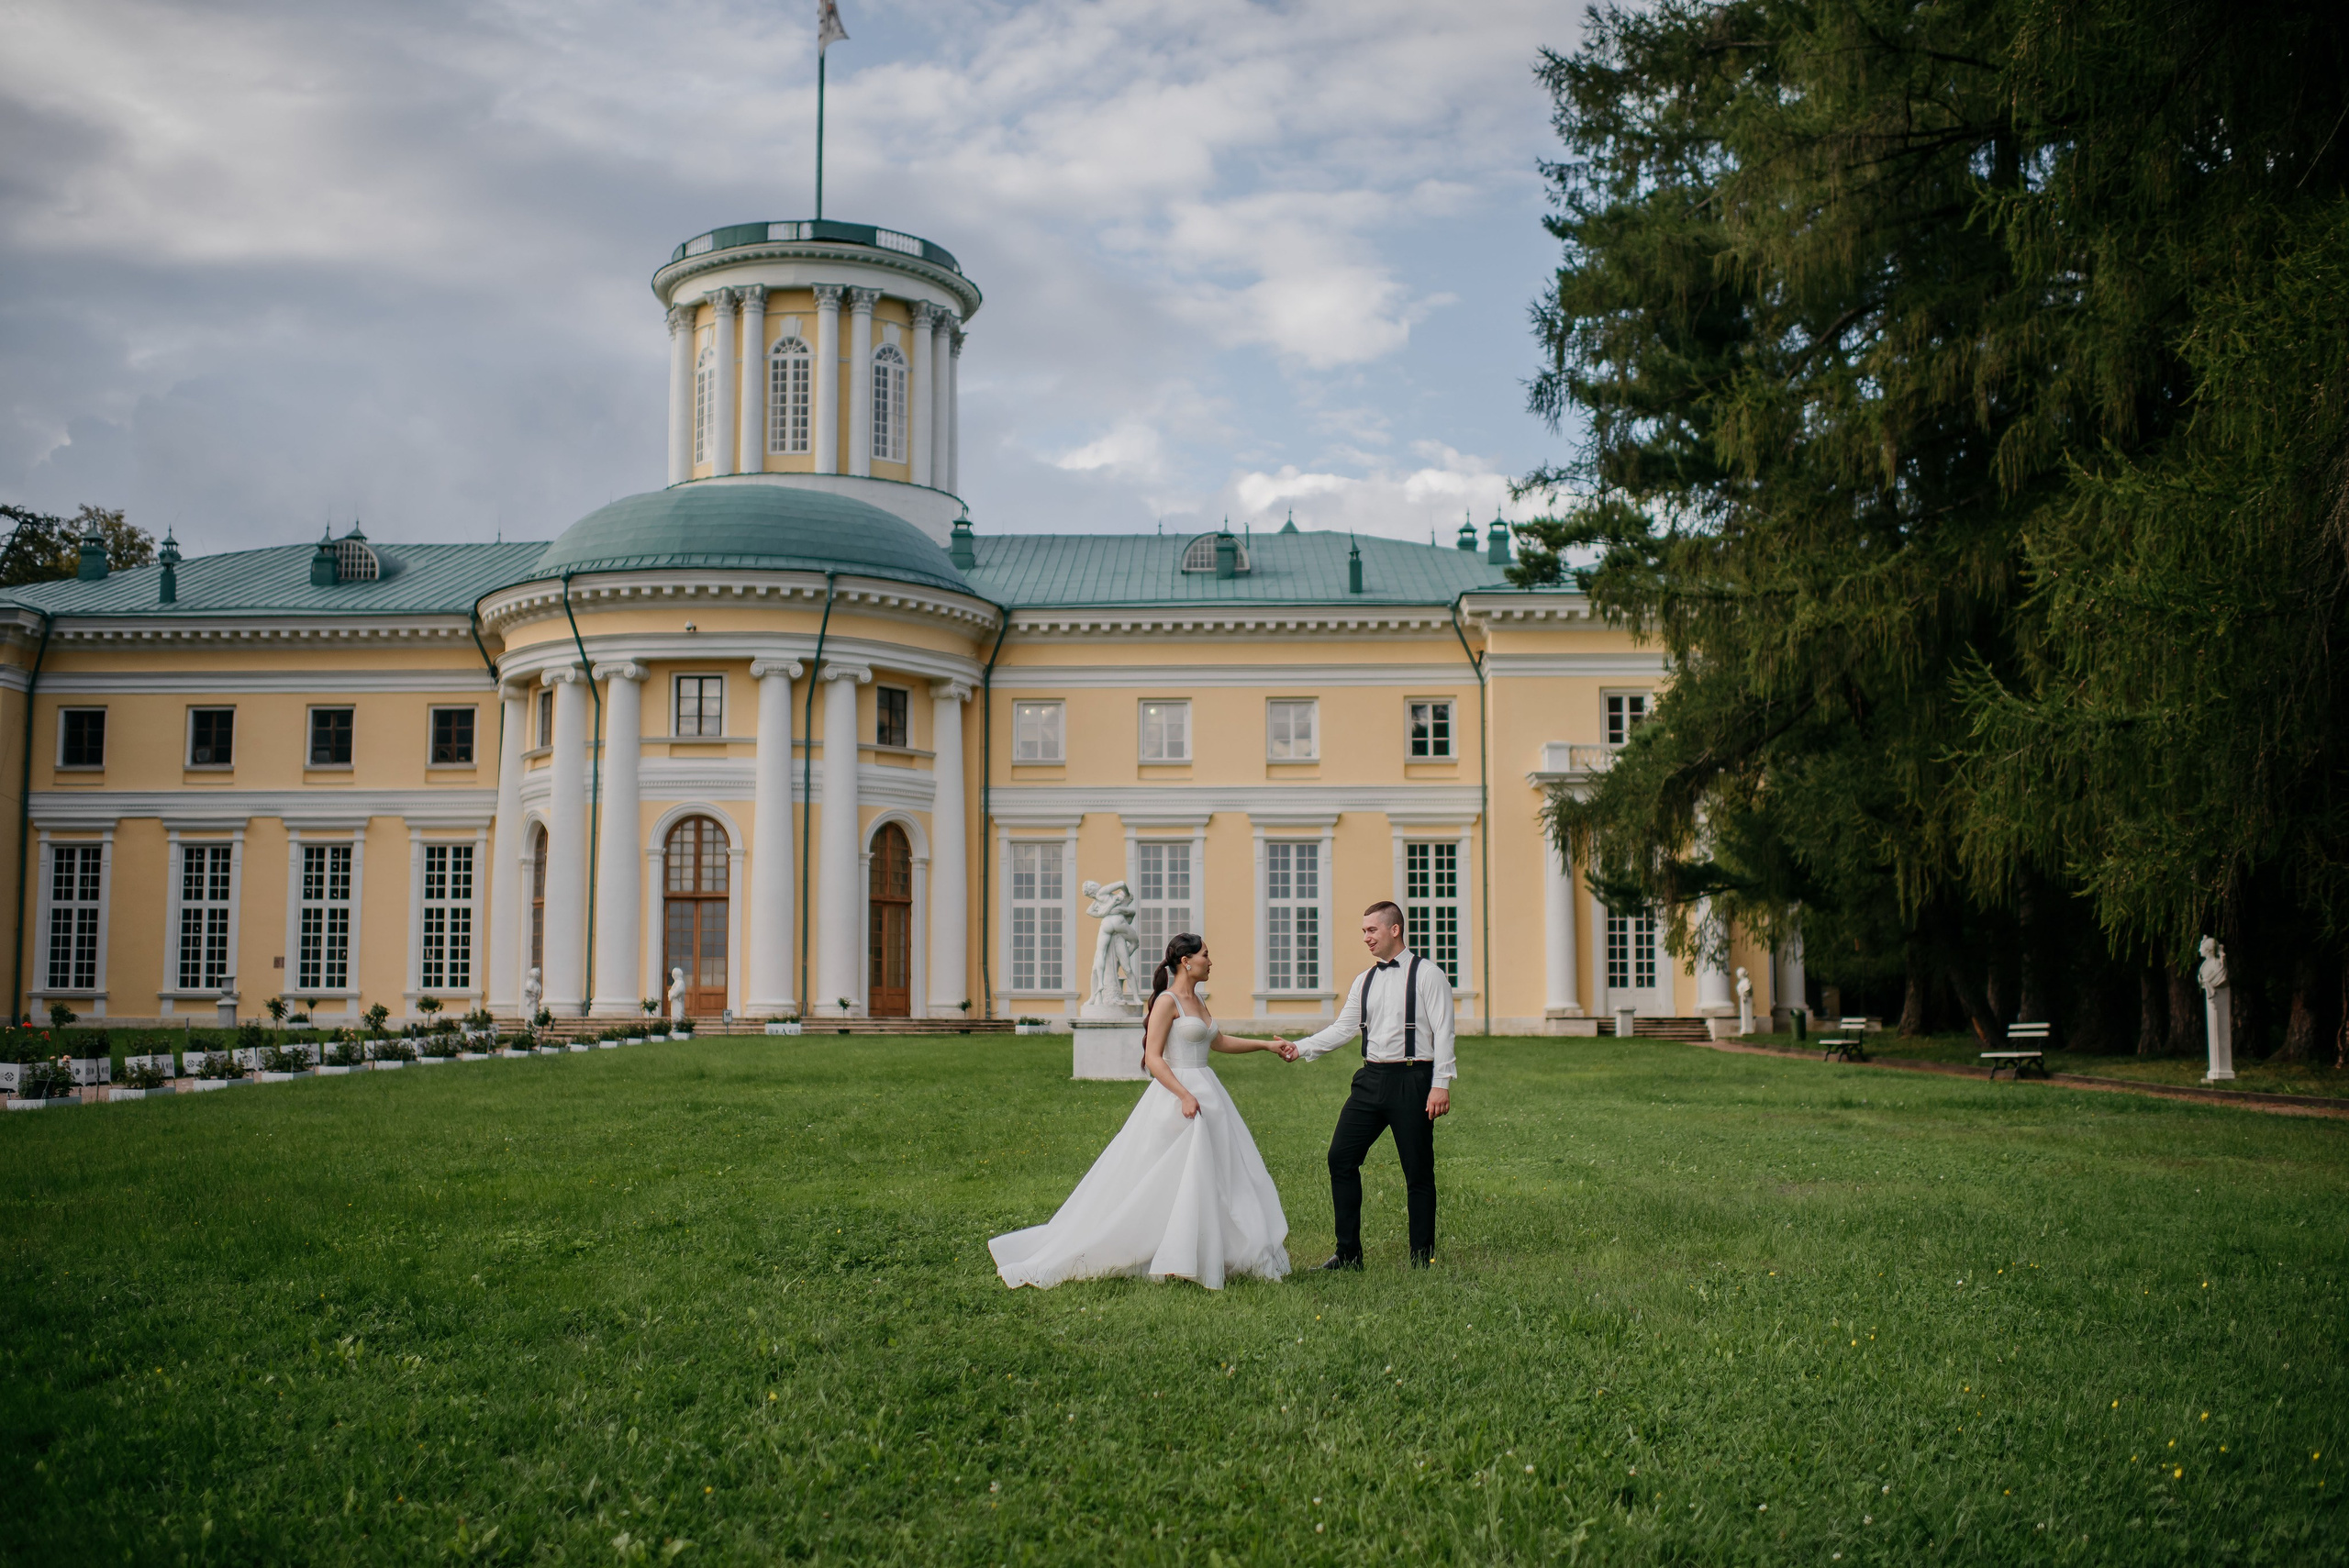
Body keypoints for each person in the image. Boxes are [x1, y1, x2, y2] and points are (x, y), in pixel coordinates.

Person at [989, 933, 1299, 1290]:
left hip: (1209, 1092)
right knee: (1166, 1176)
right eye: (1206, 955)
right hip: (1177, 1095)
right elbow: (1154, 1058)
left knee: (1218, 1174)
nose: (1211, 962)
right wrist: (1183, 1095)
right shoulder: (1168, 1002)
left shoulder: (1196, 1000)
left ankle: (1205, 1248)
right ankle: (1159, 1250)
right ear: (1187, 961)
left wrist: (1266, 1046)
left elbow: (1218, 1042)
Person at [1288, 900, 1455, 1270]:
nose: (1365, 937)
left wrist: (1440, 1084)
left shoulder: (1428, 975)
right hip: (1370, 1080)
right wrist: (1299, 1048)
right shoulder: (1363, 980)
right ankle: (1348, 1255)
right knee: (1341, 1158)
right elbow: (1343, 1029)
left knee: (1418, 1171)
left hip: (1413, 1079)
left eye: (1371, 930)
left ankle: (1421, 1258)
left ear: (1394, 930)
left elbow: (1444, 1031)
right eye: (1363, 931)